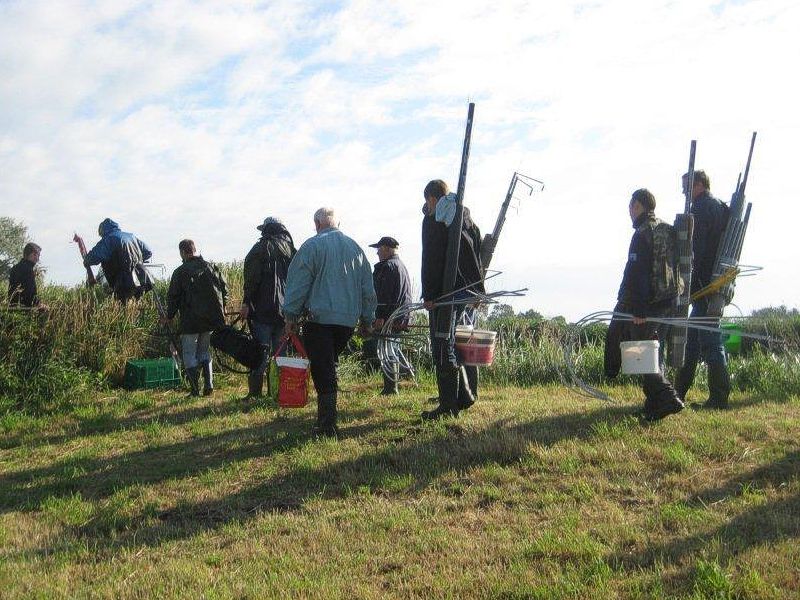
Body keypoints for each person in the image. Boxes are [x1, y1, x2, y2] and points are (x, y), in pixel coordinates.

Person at [283, 208, 377, 437]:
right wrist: (367, 319)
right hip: (346, 322)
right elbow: (367, 289)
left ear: (316, 223)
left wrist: (291, 315)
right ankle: (327, 418)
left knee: (323, 369)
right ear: (338, 223)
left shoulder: (312, 246)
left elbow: (299, 283)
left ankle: (327, 425)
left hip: (319, 319)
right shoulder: (355, 249)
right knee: (329, 365)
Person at [611, 188, 684, 421]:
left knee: (640, 354)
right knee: (654, 352)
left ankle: (668, 398)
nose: (629, 211)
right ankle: (653, 405)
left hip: (648, 304)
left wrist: (639, 310)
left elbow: (638, 273)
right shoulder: (665, 229)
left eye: (632, 206)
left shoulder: (642, 233)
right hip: (669, 301)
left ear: (639, 206)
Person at [420, 179, 485, 420]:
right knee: (452, 344)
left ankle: (448, 406)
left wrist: (430, 295)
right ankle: (465, 394)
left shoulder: (434, 220)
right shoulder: (465, 218)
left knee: (441, 345)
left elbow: (432, 259)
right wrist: (478, 289)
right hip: (466, 291)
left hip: (444, 294)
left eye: (427, 202)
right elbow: (476, 257)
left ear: (432, 199)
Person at [674, 170, 731, 409]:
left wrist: (685, 285)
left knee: (709, 341)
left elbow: (695, 251)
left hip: (704, 285)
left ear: (698, 185)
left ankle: (718, 398)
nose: (684, 192)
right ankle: (678, 393)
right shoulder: (720, 206)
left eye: (686, 187)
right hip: (713, 283)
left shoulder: (701, 208)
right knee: (694, 341)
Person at [164, 239, 228, 397]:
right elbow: (224, 289)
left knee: (189, 354)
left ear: (182, 252)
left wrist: (169, 316)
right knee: (205, 352)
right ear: (194, 249)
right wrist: (223, 309)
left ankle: (194, 390)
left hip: (190, 321)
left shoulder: (180, 272)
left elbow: (174, 297)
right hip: (210, 321)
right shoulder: (210, 267)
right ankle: (209, 385)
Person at [369, 236, 413, 395]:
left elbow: (384, 295)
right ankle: (392, 386)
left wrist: (380, 316)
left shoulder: (388, 267)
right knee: (392, 349)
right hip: (400, 316)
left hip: (390, 317)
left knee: (387, 350)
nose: (377, 253)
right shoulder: (400, 265)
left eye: (379, 249)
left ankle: (391, 388)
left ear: (387, 249)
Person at [84, 218, 153, 302]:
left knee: (122, 311)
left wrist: (86, 261)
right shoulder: (131, 236)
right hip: (143, 278)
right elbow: (148, 251)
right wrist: (136, 260)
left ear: (102, 231)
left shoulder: (108, 239)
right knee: (135, 307)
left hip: (124, 283)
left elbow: (91, 258)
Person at [8, 242, 44, 308]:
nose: (37, 258)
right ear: (27, 254)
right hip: (24, 310)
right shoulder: (28, 270)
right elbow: (29, 295)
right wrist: (39, 304)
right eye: (35, 254)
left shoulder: (15, 268)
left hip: (12, 308)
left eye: (38, 255)